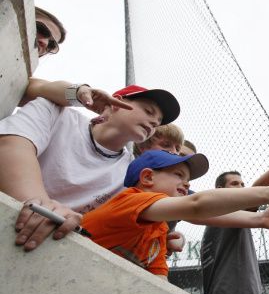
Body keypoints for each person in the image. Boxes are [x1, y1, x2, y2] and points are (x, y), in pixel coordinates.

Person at [0, 82, 180, 251]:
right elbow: (10, 145)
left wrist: (161, 240)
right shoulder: (56, 113)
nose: (154, 123)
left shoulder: (132, 173)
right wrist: (41, 205)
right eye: (149, 111)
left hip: (54, 248)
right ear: (117, 101)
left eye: (158, 122)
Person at [80, 150, 269, 279]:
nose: (186, 183)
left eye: (188, 180)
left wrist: (262, 219)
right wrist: (266, 193)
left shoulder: (158, 233)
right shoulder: (131, 199)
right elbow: (196, 205)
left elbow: (159, 285)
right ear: (147, 178)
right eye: (178, 174)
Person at [200, 171, 266, 294]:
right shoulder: (229, 210)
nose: (242, 188)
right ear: (220, 190)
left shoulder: (212, 221)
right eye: (235, 184)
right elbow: (261, 191)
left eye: (243, 184)